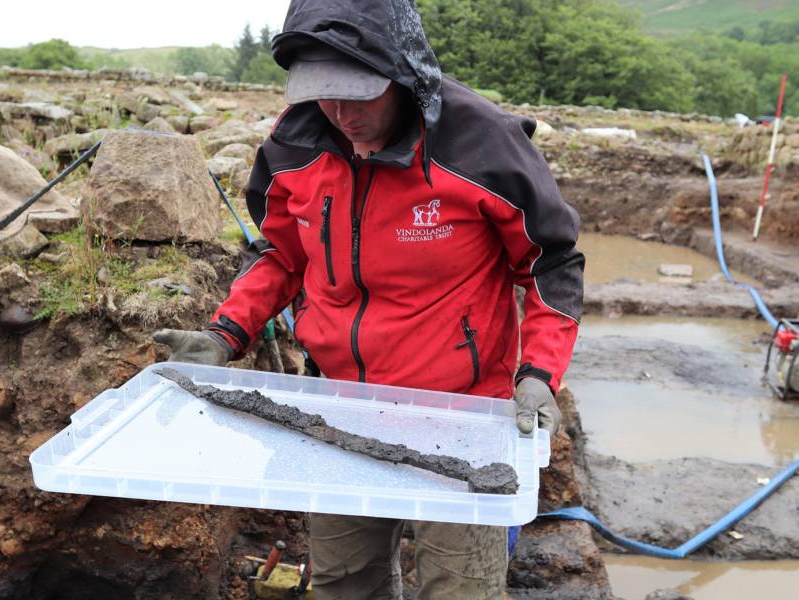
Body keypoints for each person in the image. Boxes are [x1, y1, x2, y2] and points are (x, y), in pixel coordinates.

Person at [154, 0, 584, 597]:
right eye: (323, 94)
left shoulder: (481, 145)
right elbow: (282, 253)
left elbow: (551, 262)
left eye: (359, 95)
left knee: (460, 589)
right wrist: (226, 332)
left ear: (404, 74)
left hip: (462, 414)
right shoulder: (296, 143)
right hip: (337, 407)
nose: (340, 114)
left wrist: (539, 372)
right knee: (342, 583)